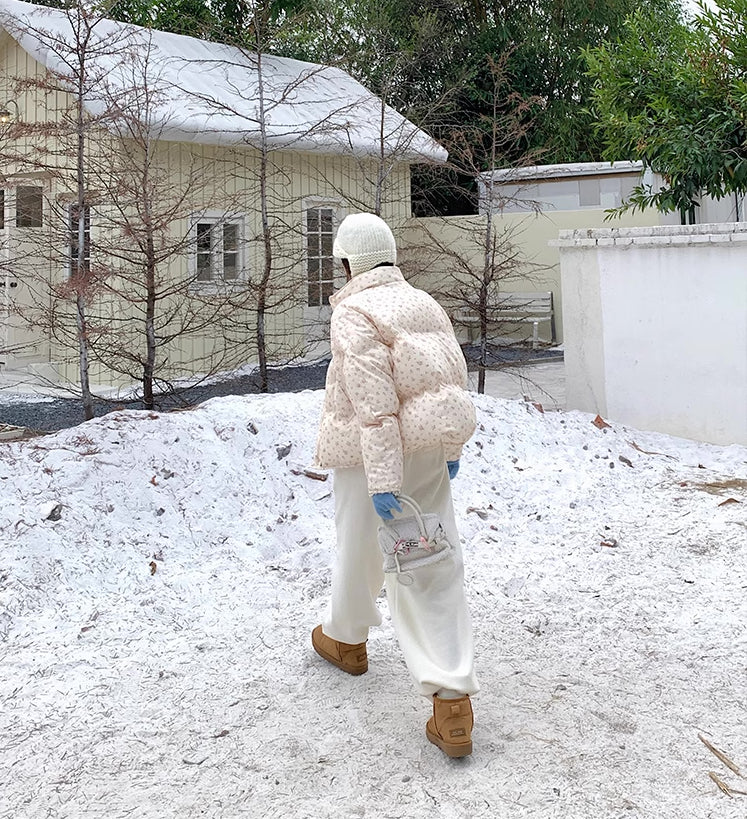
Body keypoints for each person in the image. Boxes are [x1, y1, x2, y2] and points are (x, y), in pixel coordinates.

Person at [311, 212, 479, 758]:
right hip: (427, 450)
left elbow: (375, 408)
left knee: (363, 544)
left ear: (347, 262)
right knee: (430, 561)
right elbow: (448, 382)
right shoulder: (422, 302)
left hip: (372, 457)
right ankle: (449, 700)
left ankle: (348, 640)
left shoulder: (354, 312)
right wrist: (448, 450)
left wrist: (383, 479)